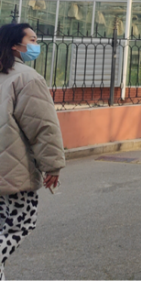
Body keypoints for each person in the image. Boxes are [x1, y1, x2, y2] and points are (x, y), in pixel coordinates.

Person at [0, 23, 65, 281]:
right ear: (15, 45)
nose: (37, 45)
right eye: (33, 39)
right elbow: (42, 127)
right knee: (21, 223)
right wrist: (53, 166)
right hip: (14, 170)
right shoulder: (28, 78)